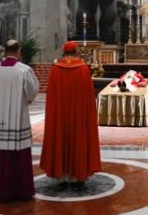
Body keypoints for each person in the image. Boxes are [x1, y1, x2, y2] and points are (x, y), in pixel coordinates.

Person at [40, 41, 101, 190]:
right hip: (78, 114)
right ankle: (78, 176)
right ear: (76, 52)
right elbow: (89, 98)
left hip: (60, 115)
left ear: (63, 52)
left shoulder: (56, 69)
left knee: (61, 136)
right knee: (77, 137)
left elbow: (51, 98)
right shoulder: (83, 69)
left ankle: (61, 177)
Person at [0, 39, 39, 201]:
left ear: (4, 51)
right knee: (18, 153)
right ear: (18, 51)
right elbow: (31, 93)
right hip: (18, 118)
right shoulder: (24, 70)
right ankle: (19, 190)